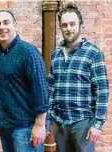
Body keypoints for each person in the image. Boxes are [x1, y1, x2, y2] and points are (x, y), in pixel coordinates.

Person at [48, 3, 109, 152]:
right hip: (60, 122)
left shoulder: (93, 53)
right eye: (64, 25)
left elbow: (102, 91)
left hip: (83, 123)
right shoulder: (56, 55)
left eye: (72, 24)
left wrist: (97, 124)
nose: (68, 28)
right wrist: (49, 118)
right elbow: (50, 88)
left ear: (80, 25)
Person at [0, 10, 49, 152]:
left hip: (26, 127)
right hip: (5, 127)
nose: (1, 27)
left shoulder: (28, 52)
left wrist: (40, 125)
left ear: (15, 26)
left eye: (6, 22)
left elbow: (41, 90)